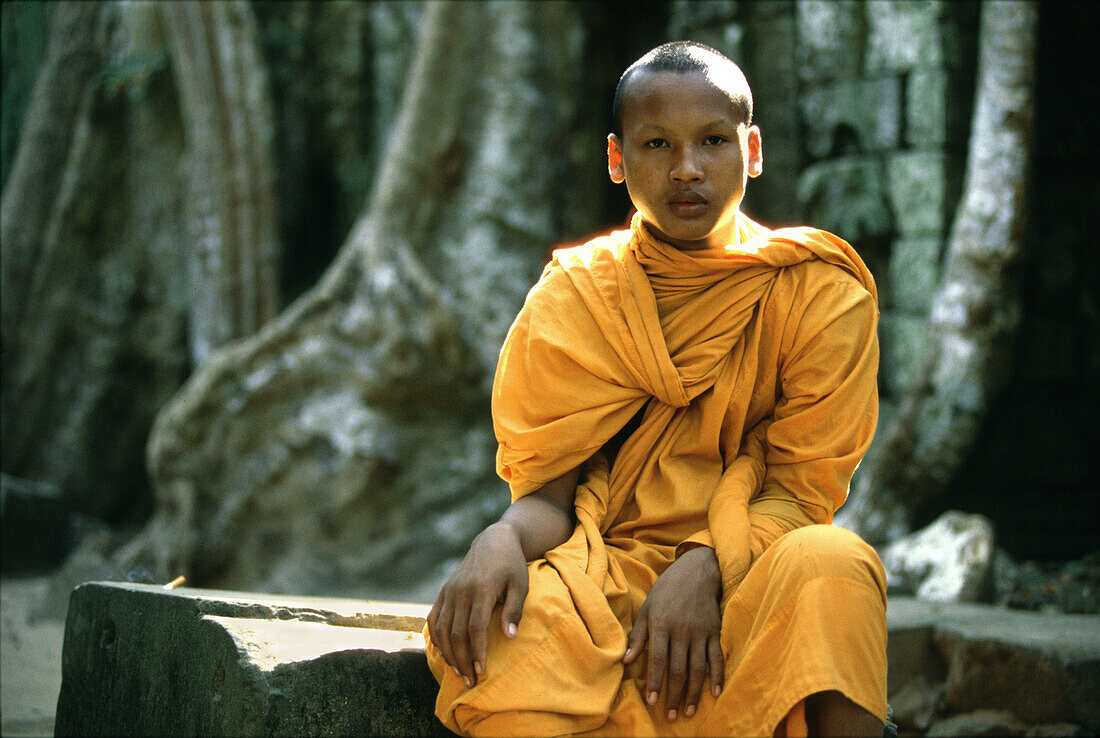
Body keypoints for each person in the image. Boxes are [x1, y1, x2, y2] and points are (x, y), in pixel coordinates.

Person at [424, 41, 888, 737]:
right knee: (500, 635)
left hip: (749, 568)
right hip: (605, 576)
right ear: (618, 160)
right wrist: (499, 539)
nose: (687, 169)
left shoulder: (818, 291)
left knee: (836, 564)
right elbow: (549, 497)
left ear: (752, 151)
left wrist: (704, 569)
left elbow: (801, 492)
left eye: (712, 141)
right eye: (656, 144)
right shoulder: (577, 295)